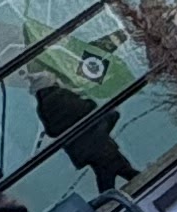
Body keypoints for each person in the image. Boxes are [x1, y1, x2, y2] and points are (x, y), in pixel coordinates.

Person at [32, 69, 130, 201]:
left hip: (82, 150)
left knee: (109, 173)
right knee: (116, 170)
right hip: (97, 142)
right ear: (51, 83)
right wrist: (86, 100)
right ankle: (107, 203)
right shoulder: (61, 95)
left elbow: (51, 132)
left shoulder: (41, 108)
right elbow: (87, 108)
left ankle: (107, 202)